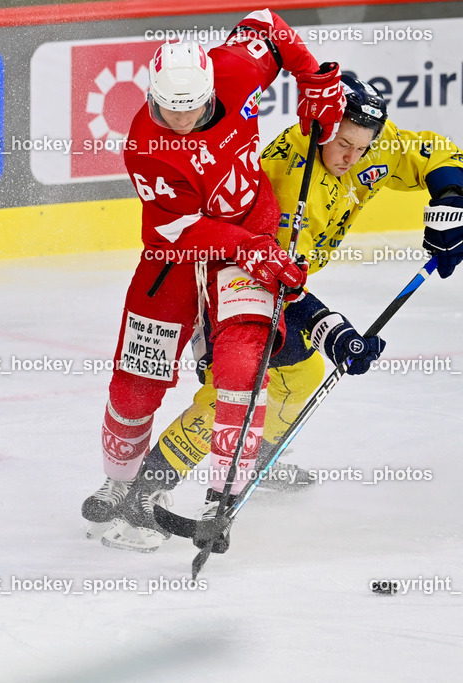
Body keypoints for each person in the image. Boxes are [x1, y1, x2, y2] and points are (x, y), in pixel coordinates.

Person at [99, 73, 463, 550]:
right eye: (344, 145)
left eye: (362, 147)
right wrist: (332, 330)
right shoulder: (288, 178)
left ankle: (253, 461)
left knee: (302, 377)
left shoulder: (367, 143)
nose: (353, 158)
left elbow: (437, 154)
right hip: (230, 282)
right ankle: (141, 495)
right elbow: (274, 277)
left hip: (280, 278)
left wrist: (451, 202)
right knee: (235, 391)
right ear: (322, 127)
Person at [81, 9, 345, 554]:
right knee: (136, 379)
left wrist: (315, 78)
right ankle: (120, 480)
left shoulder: (233, 68)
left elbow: (265, 21)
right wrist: (250, 247)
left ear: (209, 90)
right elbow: (179, 228)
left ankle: (224, 493)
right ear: (152, 96)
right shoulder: (144, 144)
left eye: (192, 109)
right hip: (177, 256)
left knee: (242, 366)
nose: (180, 121)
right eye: (168, 110)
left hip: (246, 243)